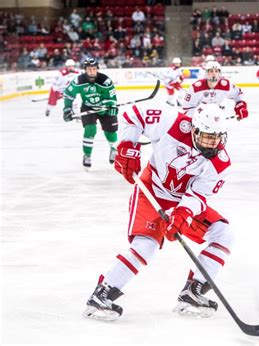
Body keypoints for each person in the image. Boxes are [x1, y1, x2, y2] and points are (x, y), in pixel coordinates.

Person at [82, 102, 234, 321]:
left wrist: (181, 216)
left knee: (223, 234)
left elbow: (198, 196)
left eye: (218, 137)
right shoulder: (173, 122)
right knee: (146, 246)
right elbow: (133, 115)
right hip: (150, 191)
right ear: (194, 129)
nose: (213, 143)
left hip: (182, 201)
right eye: (208, 137)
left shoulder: (220, 163)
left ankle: (194, 290)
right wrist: (127, 146)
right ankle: (103, 293)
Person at [63, 57, 118, 170]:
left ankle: (113, 149)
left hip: (104, 108)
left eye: (94, 69)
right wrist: (67, 109)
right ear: (85, 70)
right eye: (89, 69)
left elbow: (112, 98)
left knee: (110, 133)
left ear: (97, 69)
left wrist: (111, 106)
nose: (92, 71)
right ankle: (87, 155)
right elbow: (68, 94)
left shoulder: (105, 81)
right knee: (90, 130)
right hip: (88, 107)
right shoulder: (79, 81)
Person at [182, 60, 248, 119]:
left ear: (219, 73)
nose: (214, 73)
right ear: (207, 73)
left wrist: (241, 107)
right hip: (199, 119)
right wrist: (201, 115)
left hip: (216, 118)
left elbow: (239, 93)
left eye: (216, 71)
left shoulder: (226, 85)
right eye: (211, 71)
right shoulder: (196, 88)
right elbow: (186, 109)